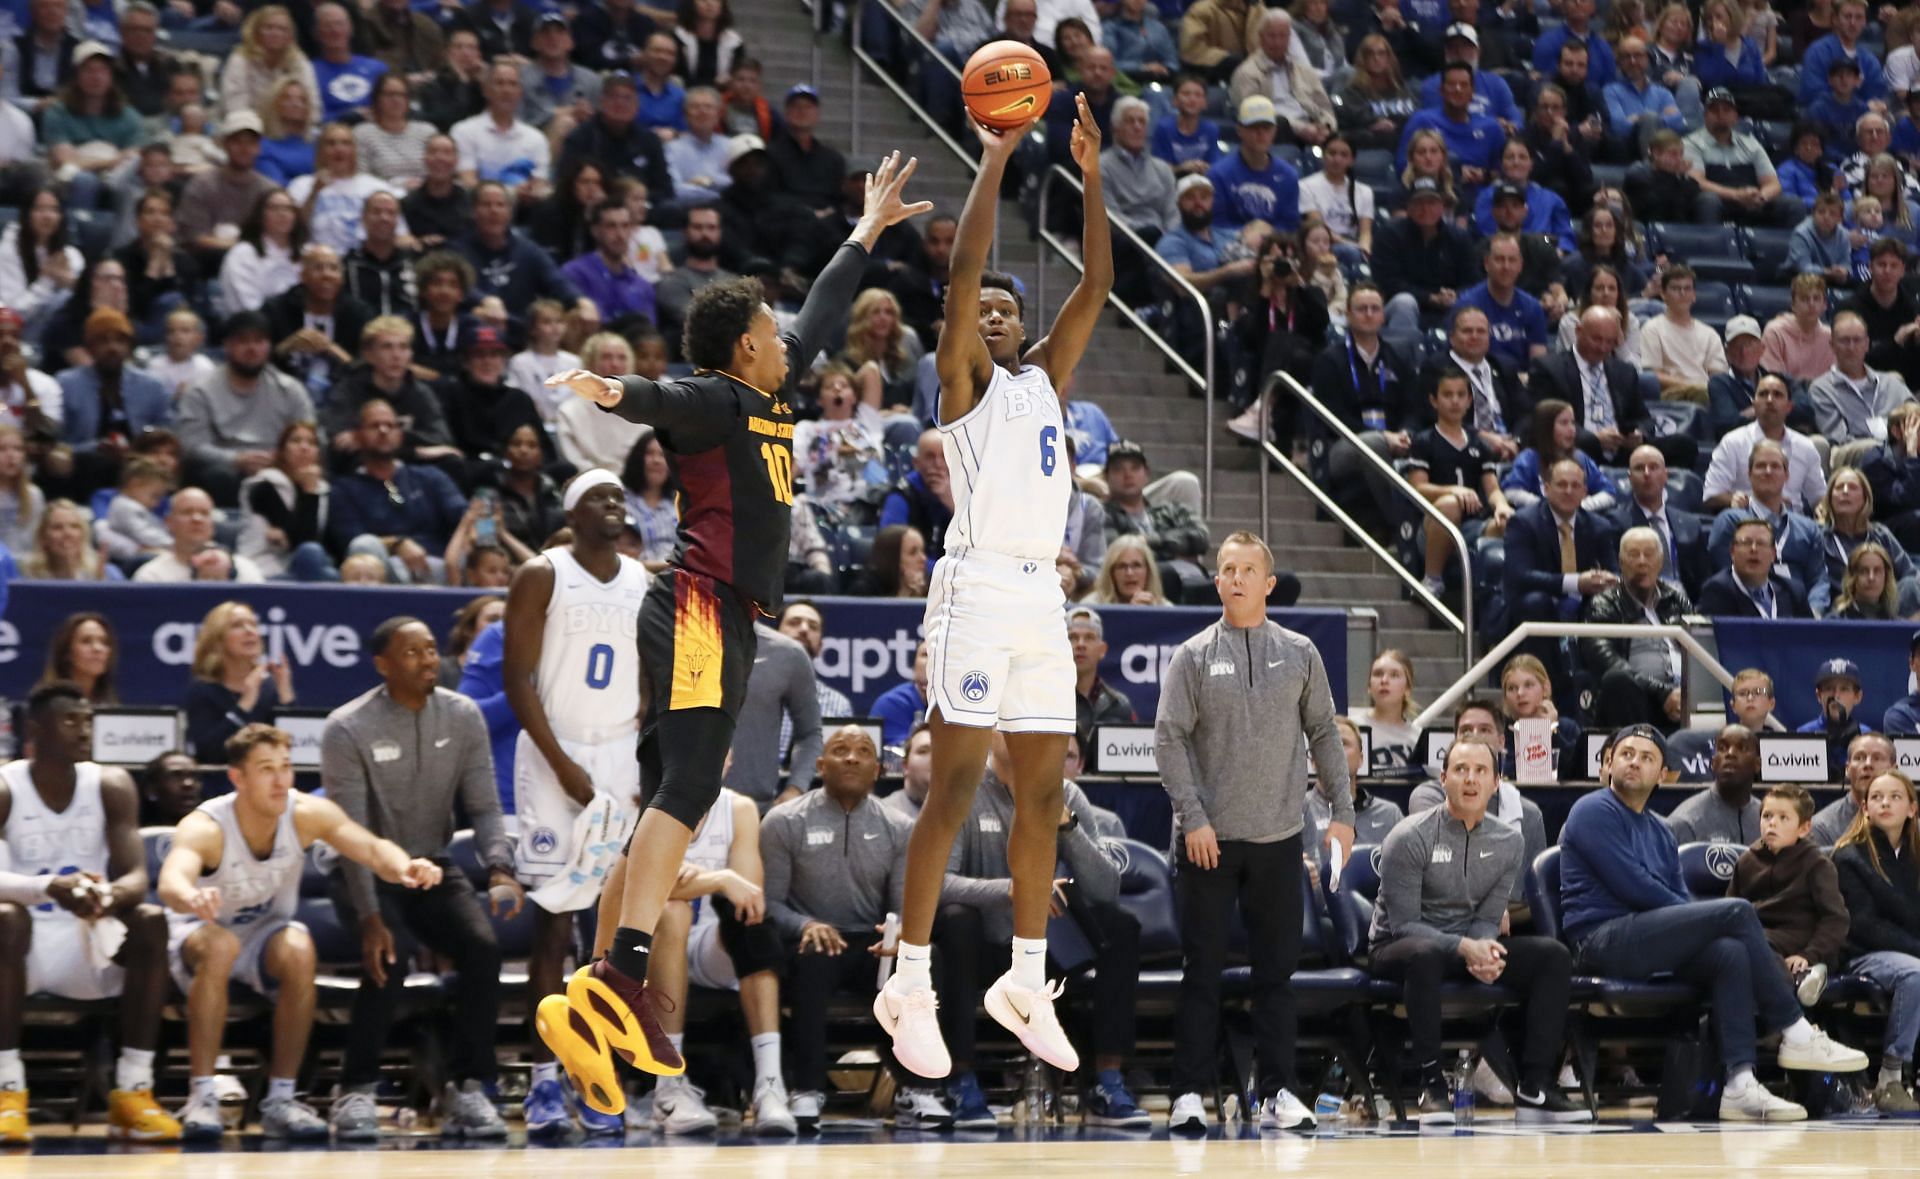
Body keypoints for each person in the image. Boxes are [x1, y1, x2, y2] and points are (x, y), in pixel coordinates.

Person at [535, 152, 929, 1110]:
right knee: (695, 782)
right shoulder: (715, 398)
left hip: (719, 614)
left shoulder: (770, 394)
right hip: (702, 603)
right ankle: (625, 967)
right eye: (770, 333)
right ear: (741, 348)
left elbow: (827, 310)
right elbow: (661, 399)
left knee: (672, 788)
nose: (787, 342)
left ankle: (597, 987)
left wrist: (866, 229)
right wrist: (610, 391)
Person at [861, 98, 1112, 1092]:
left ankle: (1026, 977)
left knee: (1042, 791)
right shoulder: (960, 381)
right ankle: (909, 984)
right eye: (989, 312)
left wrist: (1090, 173)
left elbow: (1097, 278)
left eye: (1012, 310)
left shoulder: (1048, 376)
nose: (998, 317)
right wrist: (998, 156)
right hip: (970, 586)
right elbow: (964, 271)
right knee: (957, 784)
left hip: (1039, 596)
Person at [1561, 723, 1868, 1120]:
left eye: (1647, 757)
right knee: (1735, 911)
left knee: (1729, 953)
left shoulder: (1659, 829)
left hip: (1647, 938)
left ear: (1664, 774)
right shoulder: (1593, 809)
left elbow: (1674, 895)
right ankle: (1795, 1028)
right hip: (1599, 942)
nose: (1634, 761)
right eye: (1626, 754)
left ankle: (1740, 1082)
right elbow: (1635, 887)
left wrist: (1694, 920)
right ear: (1608, 764)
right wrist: (1698, 918)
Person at [1153, 531, 1351, 1132]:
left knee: (1277, 977)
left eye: (1247, 570)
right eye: (1226, 569)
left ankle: (1279, 1092)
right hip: (1208, 841)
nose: (1235, 579)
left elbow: (1324, 732)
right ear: (1216, 581)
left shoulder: (1300, 652)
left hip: (1278, 839)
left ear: (1268, 583)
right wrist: (1195, 818)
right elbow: (1169, 739)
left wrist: (1341, 810)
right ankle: (1188, 1093)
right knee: (1202, 973)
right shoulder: (1191, 655)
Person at [159, 725, 442, 1141]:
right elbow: (170, 881)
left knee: (298, 946)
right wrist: (190, 896)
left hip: (263, 937)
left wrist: (405, 867)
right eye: (266, 769)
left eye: (286, 767)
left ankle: (282, 1098)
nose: (280, 780)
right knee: (221, 946)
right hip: (201, 932)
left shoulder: (306, 813)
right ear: (238, 778)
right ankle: (202, 1096)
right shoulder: (207, 826)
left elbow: (370, 847)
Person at [321, 616, 519, 1140]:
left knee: (481, 948)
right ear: (383, 665)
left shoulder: (463, 716)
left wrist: (500, 867)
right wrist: (369, 917)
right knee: (390, 954)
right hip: (361, 867)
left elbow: (484, 806)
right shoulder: (347, 727)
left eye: (431, 650)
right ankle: (356, 1090)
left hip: (432, 864)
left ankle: (469, 1088)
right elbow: (350, 833)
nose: (427, 660)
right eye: (412, 653)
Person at [501, 472, 648, 1137]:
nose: (614, 504)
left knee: (607, 933)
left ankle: (597, 1076)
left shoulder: (643, 580)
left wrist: (638, 763)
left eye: (620, 496)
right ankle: (541, 1081)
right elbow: (516, 678)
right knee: (555, 923)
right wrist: (563, 766)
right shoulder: (542, 573)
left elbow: (652, 677)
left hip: (618, 754)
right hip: (553, 751)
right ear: (571, 511)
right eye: (600, 496)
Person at [932, 727, 1148, 1128]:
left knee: (1121, 926)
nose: (1020, 734)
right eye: (1008, 725)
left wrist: (1068, 826)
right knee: (955, 922)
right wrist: (1012, 889)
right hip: (987, 946)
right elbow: (937, 882)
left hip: (1049, 947)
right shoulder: (961, 787)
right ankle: (960, 1080)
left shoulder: (1065, 792)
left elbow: (1107, 888)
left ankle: (1107, 1079)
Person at [1370, 737, 1588, 1124]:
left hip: (1464, 945)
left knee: (1552, 956)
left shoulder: (1509, 841)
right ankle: (1431, 1085)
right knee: (1424, 954)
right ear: (1443, 779)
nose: (1470, 779)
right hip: (1398, 948)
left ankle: (1535, 1085)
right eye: (1460, 770)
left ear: (1496, 783)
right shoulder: (1408, 837)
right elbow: (1403, 924)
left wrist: (1485, 947)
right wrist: (1465, 947)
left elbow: (1489, 917)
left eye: (1480, 771)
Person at [0, 683, 180, 1145]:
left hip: (89, 941)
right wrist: (48, 888)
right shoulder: (5, 786)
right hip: (23, 948)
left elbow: (137, 876)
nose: (84, 731)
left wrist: (107, 896)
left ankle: (133, 1092)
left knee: (151, 921)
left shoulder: (111, 783)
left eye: (88, 721)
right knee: (5, 918)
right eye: (70, 721)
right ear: (36, 729)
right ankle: (6, 1091)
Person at [1832, 768, 1920, 1112]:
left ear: (1912, 808)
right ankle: (1891, 1077)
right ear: (1865, 808)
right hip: (1863, 952)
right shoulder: (1848, 856)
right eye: (1877, 798)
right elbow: (1864, 925)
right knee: (1915, 975)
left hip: (1908, 949)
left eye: (1895, 797)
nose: (1885, 803)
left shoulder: (1915, 855)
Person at [1728, 783, 1849, 1012]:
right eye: (1767, 816)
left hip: (1801, 938)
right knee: (1735, 945)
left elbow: (1835, 919)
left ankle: (1788, 1018)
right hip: (1759, 934)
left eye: (1784, 818)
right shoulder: (1746, 861)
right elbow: (1731, 907)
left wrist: (1810, 953)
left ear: (1803, 828)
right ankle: (1797, 989)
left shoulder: (1817, 863)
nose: (1772, 823)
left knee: (1756, 943)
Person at [1409, 365, 1516, 597]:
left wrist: (1502, 506)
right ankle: (1432, 579)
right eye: (1448, 395)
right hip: (1432, 526)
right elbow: (1417, 488)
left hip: (1471, 525)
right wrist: (1454, 490)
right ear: (1434, 401)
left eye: (1461, 395)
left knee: (1509, 523)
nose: (1455, 401)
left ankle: (1497, 598)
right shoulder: (1424, 440)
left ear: (1469, 401)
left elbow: (1492, 488)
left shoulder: (1479, 444)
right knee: (1449, 504)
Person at [1530, 306, 1671, 469]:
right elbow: (1547, 421)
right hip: (1580, 447)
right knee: (1584, 445)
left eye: (1609, 342)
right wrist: (1595, 439)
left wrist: (1639, 434)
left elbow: (1643, 418)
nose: (1603, 348)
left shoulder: (1624, 372)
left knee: (1683, 445)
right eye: (1597, 339)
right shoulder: (1550, 368)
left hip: (1622, 451)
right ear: (1578, 331)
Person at [1581, 526, 1691, 729]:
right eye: (1634, 555)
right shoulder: (1604, 603)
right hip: (1641, 699)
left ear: (1660, 562)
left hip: (1686, 696)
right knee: (1617, 679)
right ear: (1621, 563)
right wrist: (1662, 692)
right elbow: (1604, 659)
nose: (1642, 561)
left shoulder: (1676, 600)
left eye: (1649, 554)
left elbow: (1698, 649)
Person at [1706, 440, 1826, 599]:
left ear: (1786, 475)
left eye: (1775, 466)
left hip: (1800, 613)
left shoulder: (1808, 528)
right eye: (1761, 466)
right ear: (1749, 474)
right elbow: (1725, 575)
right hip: (1749, 608)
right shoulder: (1730, 521)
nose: (1768, 471)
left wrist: (1813, 614)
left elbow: (1818, 581)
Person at [725, 618, 824, 810]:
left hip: (755, 809)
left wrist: (795, 789)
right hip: (673, 806)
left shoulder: (788, 654)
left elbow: (810, 734)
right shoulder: (672, 638)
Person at [1703, 375, 1827, 515]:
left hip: (1794, 525)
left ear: (1789, 407)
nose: (1769, 400)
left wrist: (1823, 510)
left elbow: (1819, 496)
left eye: (1777, 395)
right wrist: (1750, 501)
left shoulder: (1805, 446)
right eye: (1763, 394)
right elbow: (1711, 495)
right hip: (1747, 521)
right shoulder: (1733, 442)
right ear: (1754, 404)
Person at [1375, 177, 1478, 345]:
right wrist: (1430, 297)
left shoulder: (1459, 237)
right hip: (1403, 308)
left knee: (1470, 304)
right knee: (1404, 302)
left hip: (1448, 307)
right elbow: (1387, 282)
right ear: (1408, 207)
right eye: (1419, 203)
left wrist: (1455, 295)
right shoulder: (1389, 235)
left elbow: (1473, 280)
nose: (1425, 209)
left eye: (1431, 202)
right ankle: (1402, 360)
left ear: (1442, 206)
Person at [1809, 311, 1916, 465]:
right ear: (1832, 345)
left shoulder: (1891, 384)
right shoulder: (1821, 389)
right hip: (1853, 459)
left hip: (1900, 452)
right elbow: (1839, 439)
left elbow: (1915, 418)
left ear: (1867, 344)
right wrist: (1885, 449)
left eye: (1857, 340)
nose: (1851, 347)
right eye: (1844, 341)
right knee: (1870, 448)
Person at [1209, 96, 1302, 234]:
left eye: (1266, 128)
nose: (1261, 134)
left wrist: (1268, 233)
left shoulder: (1288, 175)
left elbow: (1290, 225)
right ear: (1239, 130)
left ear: (1275, 131)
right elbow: (1217, 225)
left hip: (1274, 244)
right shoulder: (1218, 174)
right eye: (1253, 127)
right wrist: (1247, 233)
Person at [1639, 264, 1728, 403]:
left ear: (1694, 295)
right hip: (1671, 395)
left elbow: (1718, 375)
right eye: (1676, 288)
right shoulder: (1652, 329)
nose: (1682, 293)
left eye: (1687, 289)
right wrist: (1693, 386)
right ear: (1663, 294)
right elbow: (1654, 375)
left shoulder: (1709, 333)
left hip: (1705, 392)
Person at [1699, 515, 1815, 618]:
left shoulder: (1793, 590)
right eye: (1746, 542)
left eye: (1761, 543)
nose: (1754, 549)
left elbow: (1811, 637)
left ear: (1773, 554)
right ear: (1732, 551)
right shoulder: (1717, 590)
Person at [1666, 724, 1764, 844]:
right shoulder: (1684, 822)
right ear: (1713, 763)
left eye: (1742, 748)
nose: (1730, 753)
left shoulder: (1768, 819)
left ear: (1757, 764)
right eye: (1722, 748)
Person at [1067, 605, 1134, 748]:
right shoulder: (1048, 702)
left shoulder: (1119, 705)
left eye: (1089, 638)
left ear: (1102, 650)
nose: (1080, 644)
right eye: (1072, 637)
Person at [1349, 649, 1420, 768]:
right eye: (1378, 674)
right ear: (1369, 686)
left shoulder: (1418, 738)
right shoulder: (1352, 729)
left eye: (1394, 675)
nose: (1384, 680)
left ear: (1408, 688)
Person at [38, 612, 116, 705]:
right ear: (67, 653)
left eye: (104, 642)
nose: (97, 648)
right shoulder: (45, 704)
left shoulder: (110, 705)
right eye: (86, 641)